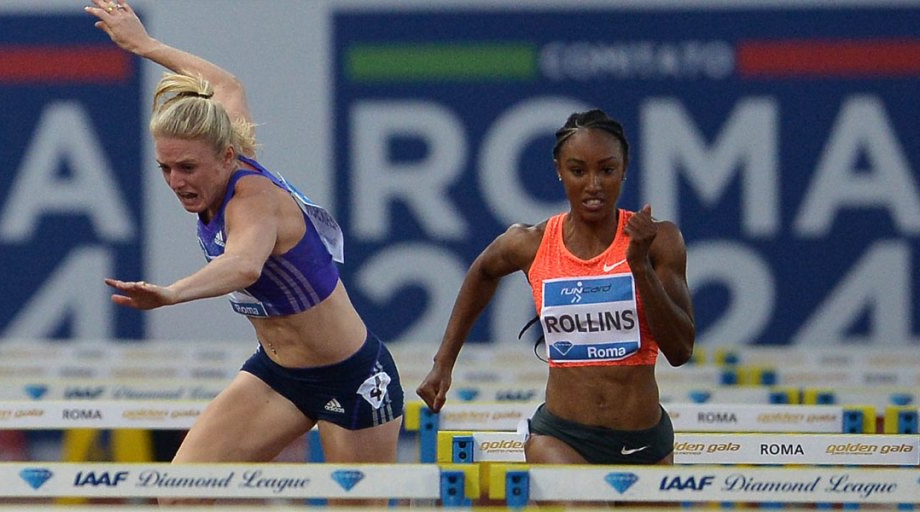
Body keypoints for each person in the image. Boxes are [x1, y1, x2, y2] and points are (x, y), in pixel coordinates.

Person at [87, 0, 403, 504]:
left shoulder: (254, 198)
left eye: (187, 167)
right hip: (277, 375)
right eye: (165, 168)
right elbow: (229, 86)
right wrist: (144, 46)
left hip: (352, 377)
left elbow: (243, 264)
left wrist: (171, 293)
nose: (176, 182)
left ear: (227, 156)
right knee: (177, 496)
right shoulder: (228, 143)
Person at [417, 109, 695, 476]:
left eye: (606, 170)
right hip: (562, 437)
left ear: (624, 169)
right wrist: (443, 363)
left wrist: (640, 266)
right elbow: (483, 272)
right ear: (559, 171)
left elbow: (680, 351)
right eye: (578, 171)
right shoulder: (530, 243)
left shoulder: (659, 240)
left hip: (644, 440)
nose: (593, 184)